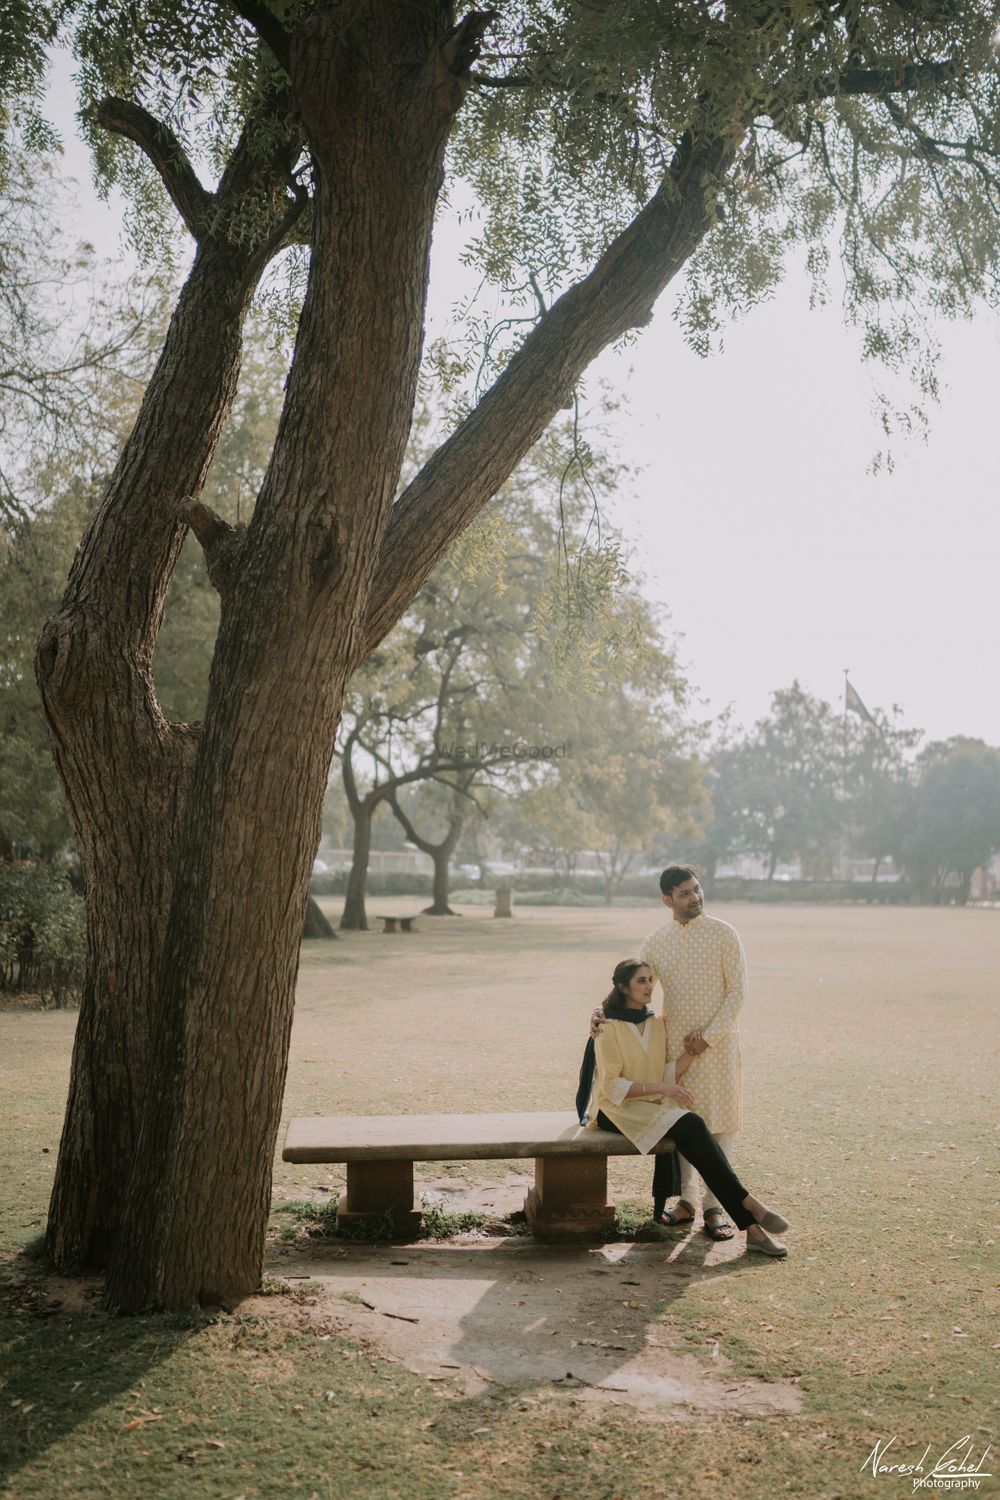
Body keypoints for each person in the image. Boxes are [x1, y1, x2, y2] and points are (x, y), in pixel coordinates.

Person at [588, 959, 788, 1257]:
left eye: (650, 980)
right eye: (641, 981)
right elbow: (611, 1087)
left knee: (692, 1129)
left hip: (647, 1106)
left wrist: (693, 1051)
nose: (649, 986)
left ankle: (752, 1227)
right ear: (622, 986)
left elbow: (663, 1071)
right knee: (691, 1124)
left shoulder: (656, 1023)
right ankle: (748, 1206)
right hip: (614, 1111)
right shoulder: (607, 1026)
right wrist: (664, 1089)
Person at [592, 864, 747, 1241]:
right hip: (675, 1043)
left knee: (720, 1122)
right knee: (681, 1118)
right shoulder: (657, 941)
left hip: (718, 1043)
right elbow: (637, 988)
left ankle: (715, 1208)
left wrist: (708, 1037)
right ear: (667, 900)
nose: (695, 897)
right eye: (684, 893)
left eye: (696, 889)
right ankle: (688, 1201)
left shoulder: (724, 934)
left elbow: (736, 994)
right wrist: (600, 1012)